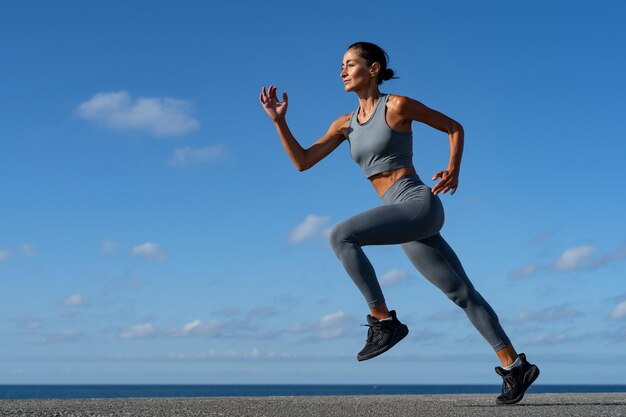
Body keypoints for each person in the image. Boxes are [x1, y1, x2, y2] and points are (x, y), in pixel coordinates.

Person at [259, 41, 539, 405]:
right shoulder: (344, 125)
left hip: (418, 203)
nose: (342, 71)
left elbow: (454, 127)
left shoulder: (397, 106)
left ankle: (383, 321)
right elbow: (303, 161)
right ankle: (515, 365)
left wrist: (453, 169)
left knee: (341, 235)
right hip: (399, 214)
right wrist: (280, 122)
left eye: (350, 64)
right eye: (341, 66)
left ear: (373, 69)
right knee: (462, 294)